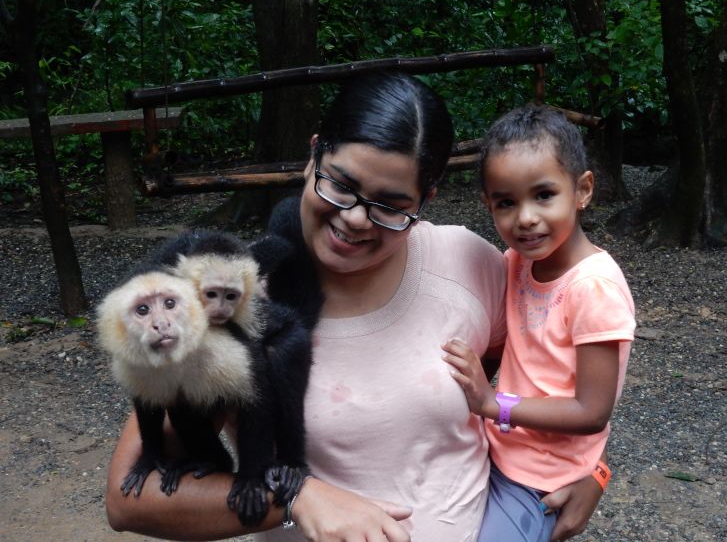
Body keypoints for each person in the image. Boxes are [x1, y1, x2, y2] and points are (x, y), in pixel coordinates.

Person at [105, 72, 605, 542]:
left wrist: (588, 471)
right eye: (341, 186)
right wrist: (299, 497)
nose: (357, 219)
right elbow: (130, 500)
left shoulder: (470, 261)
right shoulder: (229, 300)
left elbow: (544, 376)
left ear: (425, 199)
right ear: (313, 155)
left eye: (390, 206)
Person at [442, 104, 636, 542]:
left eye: (544, 195)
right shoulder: (516, 262)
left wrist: (492, 403)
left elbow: (592, 411)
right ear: (488, 205)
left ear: (582, 190)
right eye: (507, 203)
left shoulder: (594, 288)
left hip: (542, 478)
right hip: (498, 449)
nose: (525, 217)